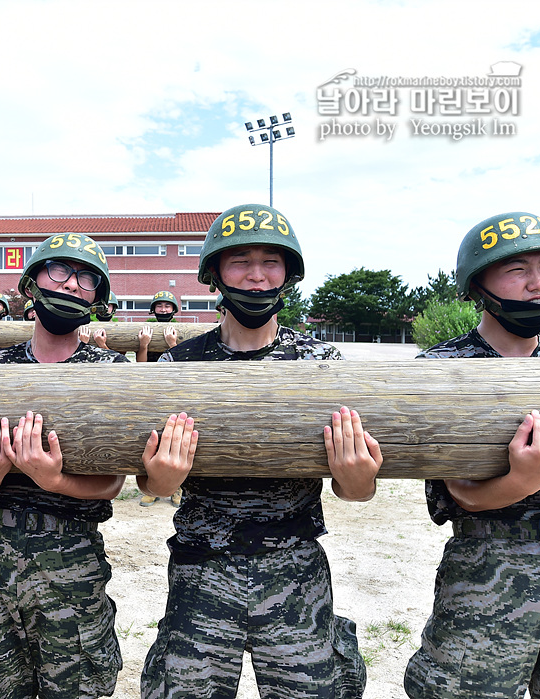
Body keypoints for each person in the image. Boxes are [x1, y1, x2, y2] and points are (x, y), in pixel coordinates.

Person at [140, 204, 377, 699]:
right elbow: (152, 486)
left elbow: (355, 492)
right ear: (215, 275)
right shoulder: (178, 364)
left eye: (271, 261)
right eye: (240, 261)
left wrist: (357, 476)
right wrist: (161, 480)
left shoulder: (321, 363)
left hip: (294, 566)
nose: (255, 275)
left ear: (288, 273)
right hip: (203, 566)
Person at [403, 211, 540, 699]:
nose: (538, 284)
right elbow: (462, 496)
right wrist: (527, 480)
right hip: (488, 574)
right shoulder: (442, 369)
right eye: (516, 270)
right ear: (477, 286)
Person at [0, 232, 126, 699]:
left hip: (72, 555)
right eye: (59, 271)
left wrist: (55, 480)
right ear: (30, 285)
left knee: (75, 682)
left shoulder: (111, 370)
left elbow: (110, 481)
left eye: (86, 278)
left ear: (97, 300)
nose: (71, 285)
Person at [137, 291, 179, 363]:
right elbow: (140, 363)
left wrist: (172, 344)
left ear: (173, 309)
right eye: (159, 306)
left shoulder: (180, 330)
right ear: (154, 309)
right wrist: (143, 345)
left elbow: (181, 362)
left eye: (167, 306)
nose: (163, 310)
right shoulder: (146, 331)